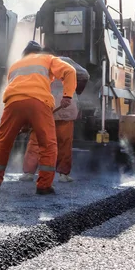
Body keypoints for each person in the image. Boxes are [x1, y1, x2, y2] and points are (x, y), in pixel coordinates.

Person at [0, 40, 77, 195]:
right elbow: (70, 71)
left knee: (3, 143)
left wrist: (24, 123)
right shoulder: (47, 59)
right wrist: (67, 95)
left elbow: (18, 89)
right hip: (39, 102)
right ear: (39, 52)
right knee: (48, 144)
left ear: (24, 54)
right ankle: (44, 185)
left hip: (13, 103)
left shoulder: (15, 66)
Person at [20, 51, 90, 183]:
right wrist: (75, 91)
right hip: (64, 107)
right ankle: (63, 175)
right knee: (64, 142)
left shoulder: (32, 65)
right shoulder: (65, 61)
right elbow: (84, 75)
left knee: (36, 141)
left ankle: (28, 173)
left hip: (45, 107)